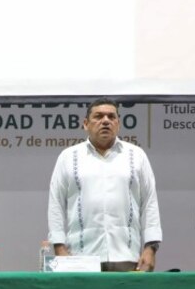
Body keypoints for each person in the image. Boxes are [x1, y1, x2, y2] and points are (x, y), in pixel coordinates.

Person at [47, 97, 162, 271]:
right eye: (98, 116)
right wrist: (59, 247)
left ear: (118, 124)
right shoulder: (68, 157)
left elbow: (149, 203)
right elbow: (55, 204)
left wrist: (150, 247)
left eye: (111, 117)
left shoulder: (137, 155)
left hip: (127, 255)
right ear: (85, 124)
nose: (106, 121)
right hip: (80, 257)